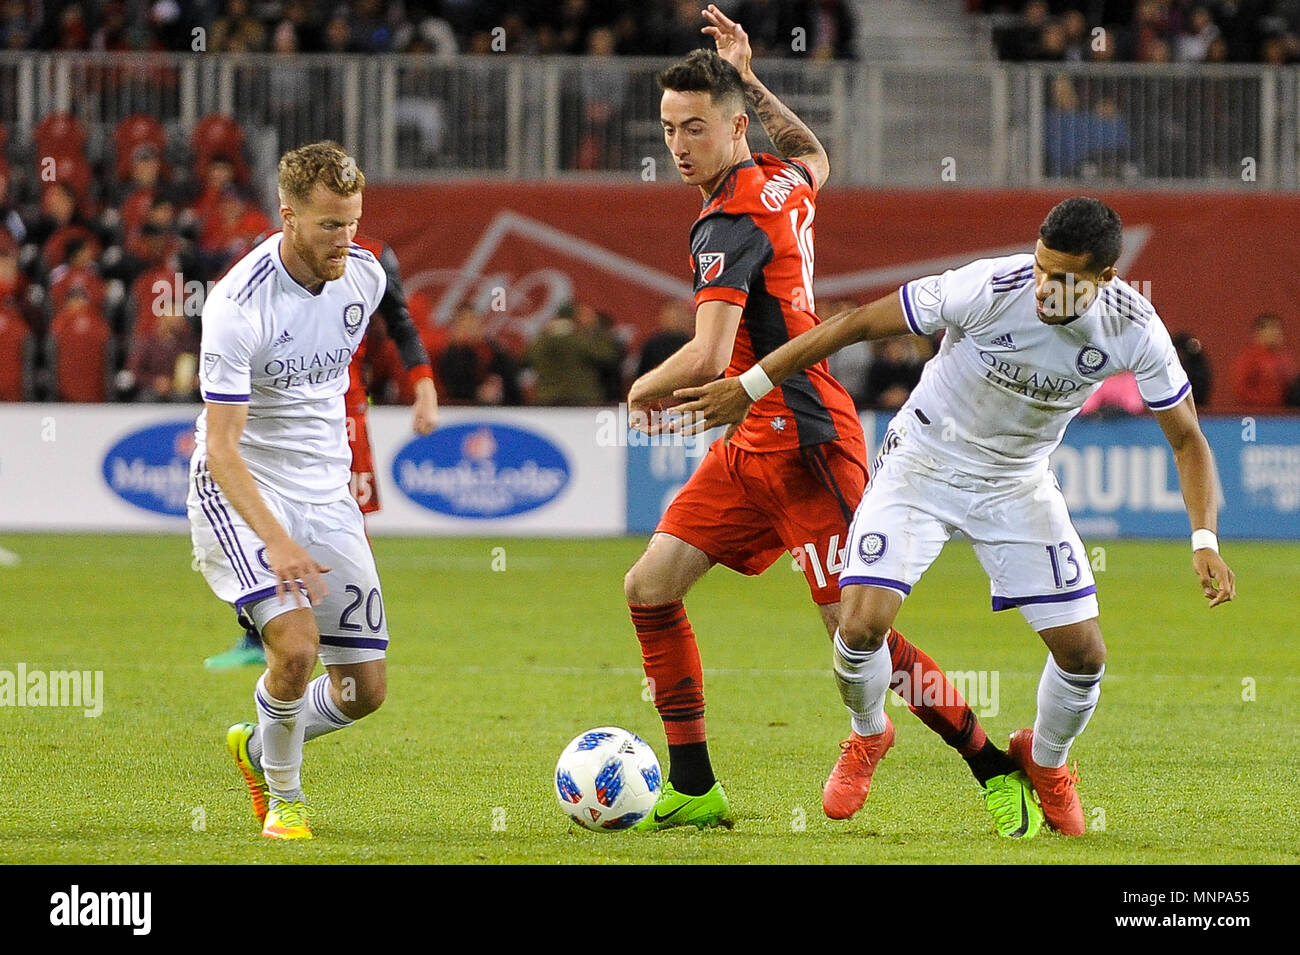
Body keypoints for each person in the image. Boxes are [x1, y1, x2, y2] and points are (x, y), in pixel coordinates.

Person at [673, 196, 1238, 835]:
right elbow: (853, 325)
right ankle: (868, 734)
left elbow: (1187, 438)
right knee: (858, 627)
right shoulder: (988, 287)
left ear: (1106, 279)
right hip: (923, 463)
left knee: (1084, 656)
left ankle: (1046, 763)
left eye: (1066, 279)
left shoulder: (1135, 329)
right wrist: (746, 388)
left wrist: (1203, 537)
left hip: (1017, 484)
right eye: (1042, 266)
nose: (1045, 287)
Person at [624, 5, 1038, 837]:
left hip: (811, 445)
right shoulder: (778, 178)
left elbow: (706, 358)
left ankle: (995, 766)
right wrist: (749, 75)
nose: (677, 146)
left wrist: (640, 389)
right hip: (751, 443)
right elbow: (816, 155)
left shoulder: (727, 220)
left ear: (733, 128)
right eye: (669, 128)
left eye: (694, 129)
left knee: (863, 640)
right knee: (648, 588)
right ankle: (696, 783)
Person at [189, 141, 393, 839]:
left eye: (354, 222)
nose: (347, 240)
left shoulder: (365, 277)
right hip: (245, 489)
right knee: (296, 650)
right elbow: (221, 448)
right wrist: (276, 539)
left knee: (364, 691)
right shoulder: (236, 305)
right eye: (330, 225)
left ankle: (257, 744)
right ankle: (286, 799)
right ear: (287, 217)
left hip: (325, 493)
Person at [203, 235, 438, 670]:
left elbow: (400, 323)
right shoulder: (262, 266)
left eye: (348, 218)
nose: (341, 232)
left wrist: (423, 386)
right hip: (281, 416)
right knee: (274, 511)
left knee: (346, 512)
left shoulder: (373, 260)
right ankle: (264, 630)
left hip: (346, 410)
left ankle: (345, 629)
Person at [1229, 313, 1297, 411]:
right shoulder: (1248, 359)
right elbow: (1241, 389)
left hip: (1283, 416)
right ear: (1258, 332)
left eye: (1277, 329)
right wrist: (1263, 406)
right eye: (1271, 329)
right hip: (1258, 415)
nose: (1276, 333)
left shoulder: (1285, 360)